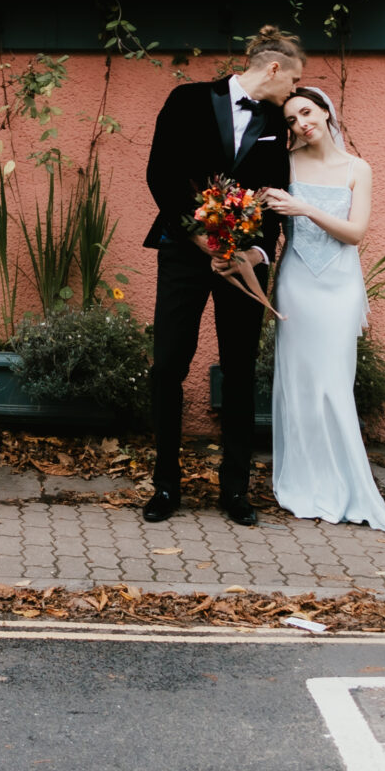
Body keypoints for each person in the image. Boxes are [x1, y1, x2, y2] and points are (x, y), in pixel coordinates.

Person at [138, 26, 304, 526]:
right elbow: (160, 175)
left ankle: (235, 490)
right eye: (293, 80)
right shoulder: (186, 99)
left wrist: (250, 253)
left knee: (238, 370)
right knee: (168, 365)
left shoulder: (279, 124)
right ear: (272, 68)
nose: (294, 91)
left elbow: (276, 200)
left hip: (243, 264)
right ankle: (165, 485)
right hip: (185, 255)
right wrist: (201, 238)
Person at [265, 86, 385, 532]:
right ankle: (303, 481)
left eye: (306, 112)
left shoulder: (358, 168)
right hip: (296, 284)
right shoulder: (286, 164)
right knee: (299, 383)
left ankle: (346, 483)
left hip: (339, 287)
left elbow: (355, 232)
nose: (302, 123)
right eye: (291, 119)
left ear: (325, 111)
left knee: (334, 382)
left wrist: (303, 207)